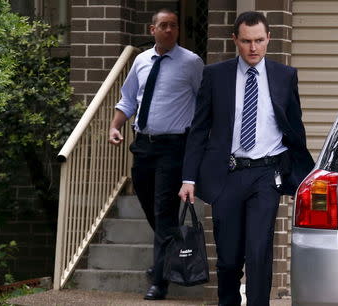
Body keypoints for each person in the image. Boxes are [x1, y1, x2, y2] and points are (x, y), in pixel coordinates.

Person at [178, 11, 314, 306]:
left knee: (258, 253)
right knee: (228, 259)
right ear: (234, 41)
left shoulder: (284, 76)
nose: (253, 48)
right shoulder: (215, 76)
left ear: (268, 39)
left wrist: (301, 173)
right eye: (246, 41)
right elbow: (199, 129)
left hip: (266, 175)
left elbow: (294, 127)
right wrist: (189, 178)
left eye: (259, 41)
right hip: (227, 174)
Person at [109, 8, 204, 300]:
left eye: (173, 26)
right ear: (152, 30)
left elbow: (203, 103)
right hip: (143, 144)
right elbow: (128, 99)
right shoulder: (140, 61)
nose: (169, 30)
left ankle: (159, 280)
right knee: (151, 204)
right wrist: (115, 126)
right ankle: (172, 245)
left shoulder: (191, 63)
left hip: (174, 146)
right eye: (163, 26)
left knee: (163, 210)